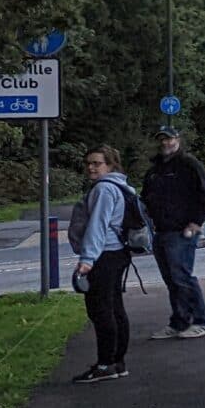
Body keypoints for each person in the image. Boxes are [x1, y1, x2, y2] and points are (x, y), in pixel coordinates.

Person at [69, 144, 142, 382]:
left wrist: (87, 260)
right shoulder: (121, 186)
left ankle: (105, 365)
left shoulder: (103, 190)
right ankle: (118, 362)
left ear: (110, 165)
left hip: (104, 255)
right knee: (115, 308)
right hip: (118, 253)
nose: (91, 167)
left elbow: (97, 226)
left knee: (101, 311)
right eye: (88, 163)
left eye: (97, 163)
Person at [140, 126, 205, 338]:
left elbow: (203, 193)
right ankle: (180, 321)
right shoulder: (155, 169)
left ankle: (202, 320)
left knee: (182, 276)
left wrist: (196, 222)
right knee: (172, 279)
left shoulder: (189, 164)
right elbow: (146, 197)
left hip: (182, 230)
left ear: (178, 139)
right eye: (162, 139)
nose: (165, 143)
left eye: (169, 138)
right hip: (160, 230)